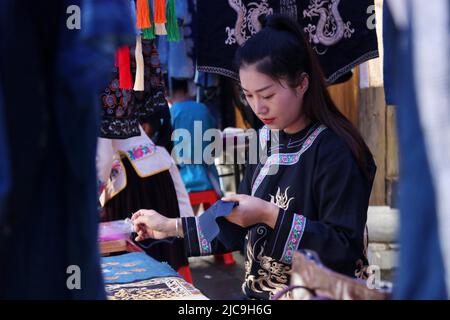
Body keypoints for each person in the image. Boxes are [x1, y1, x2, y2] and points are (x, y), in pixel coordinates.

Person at [131, 14, 376, 300]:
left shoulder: (336, 150)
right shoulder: (266, 140)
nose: (258, 107)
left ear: (302, 83)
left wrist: (269, 214)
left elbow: (343, 250)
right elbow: (233, 224)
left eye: (267, 95)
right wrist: (170, 226)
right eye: (248, 95)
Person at [168, 77, 222, 214]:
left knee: (185, 218)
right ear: (188, 90)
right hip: (208, 176)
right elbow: (215, 144)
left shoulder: (171, 113)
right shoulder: (203, 108)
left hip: (183, 179)